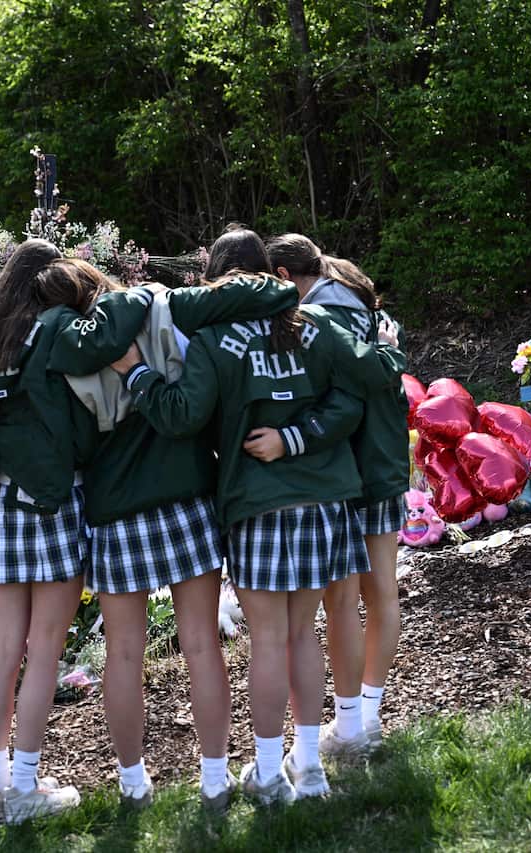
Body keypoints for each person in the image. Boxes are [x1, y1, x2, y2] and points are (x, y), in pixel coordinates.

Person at [110, 228, 405, 804]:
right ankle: (311, 766)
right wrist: (305, 431)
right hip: (325, 502)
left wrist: (136, 372)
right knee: (301, 635)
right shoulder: (312, 324)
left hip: (257, 505)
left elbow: (181, 417)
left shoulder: (213, 337)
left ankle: (270, 775)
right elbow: (356, 393)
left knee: (269, 641)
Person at [43, 257, 299, 811]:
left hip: (114, 511)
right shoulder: (160, 305)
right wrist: (280, 289)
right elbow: (254, 295)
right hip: (186, 497)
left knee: (124, 655)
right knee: (203, 644)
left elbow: (73, 446)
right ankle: (213, 779)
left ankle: (133, 784)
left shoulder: (56, 348)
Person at [0, 242, 155, 824]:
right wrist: (135, 290)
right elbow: (113, 338)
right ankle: (24, 790)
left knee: (3, 652)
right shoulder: (52, 331)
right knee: (43, 655)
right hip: (51, 505)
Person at [254, 234, 410, 754]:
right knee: (378, 591)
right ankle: (365, 716)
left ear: (282, 276)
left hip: (350, 466)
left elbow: (347, 389)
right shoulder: (350, 295)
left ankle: (356, 722)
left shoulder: (321, 315)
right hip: (381, 458)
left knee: (344, 600)